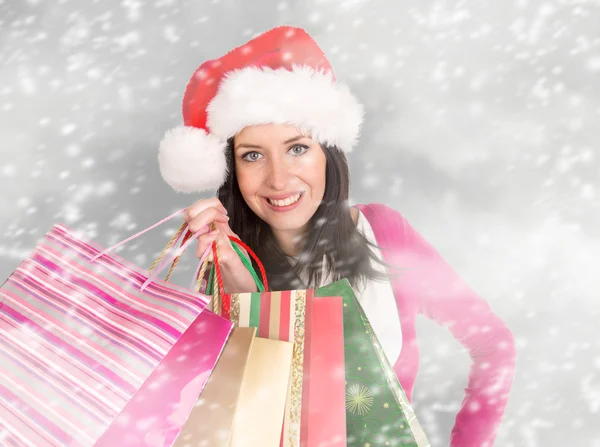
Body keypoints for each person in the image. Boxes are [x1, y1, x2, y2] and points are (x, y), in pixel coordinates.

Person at [157, 26, 516, 447]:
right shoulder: (221, 264)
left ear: (328, 153)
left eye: (297, 148)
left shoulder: (385, 234)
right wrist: (240, 292)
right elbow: (229, 422)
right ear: (231, 172)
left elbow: (494, 346)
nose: (278, 178)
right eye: (252, 155)